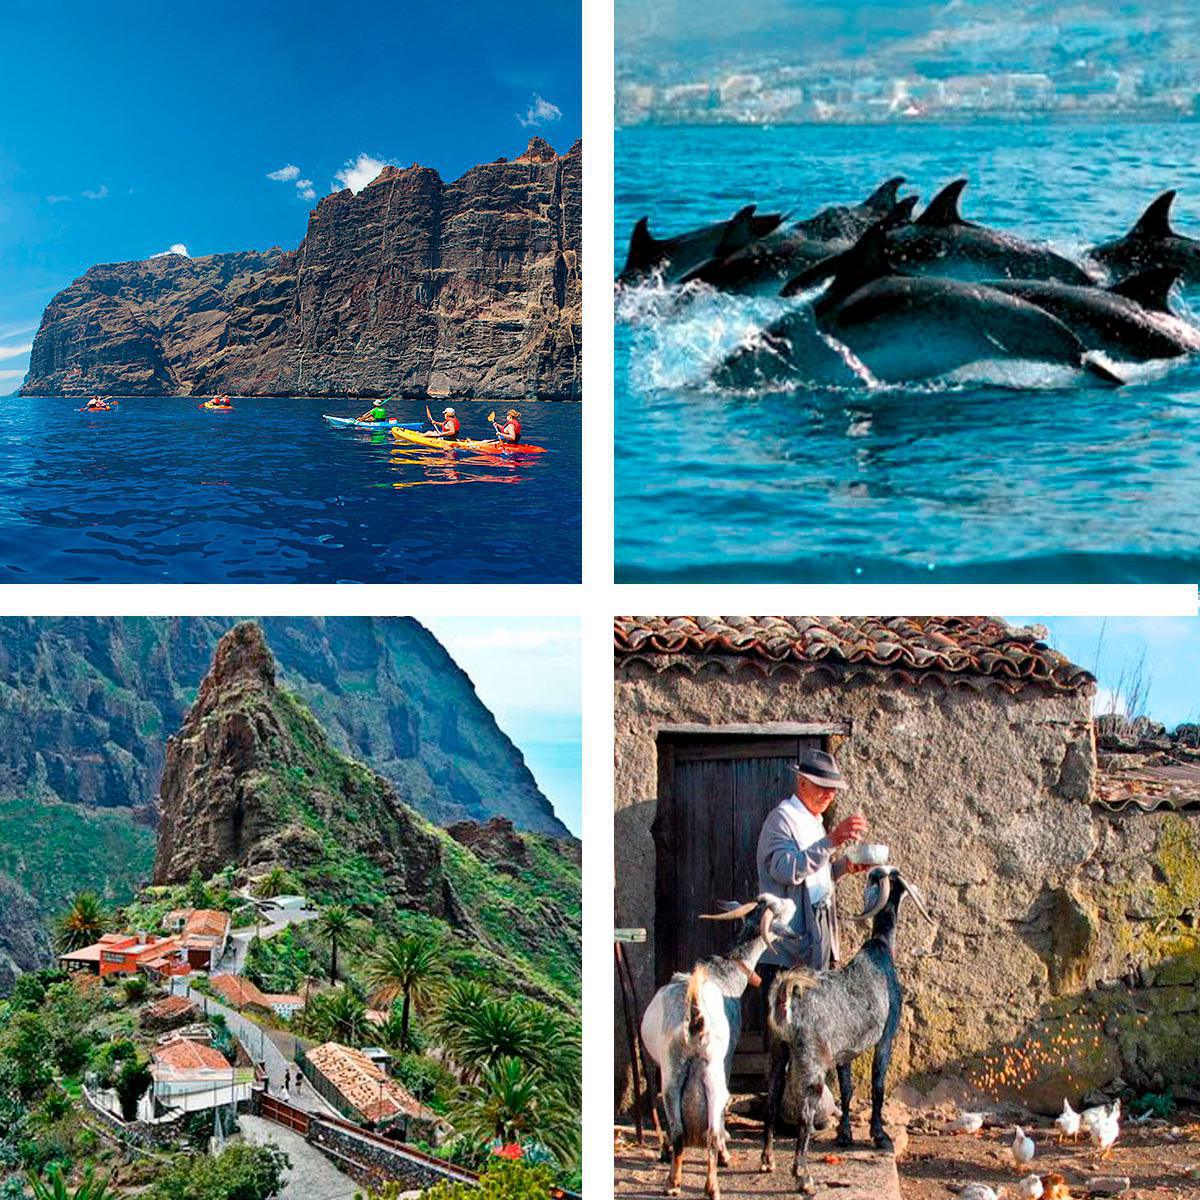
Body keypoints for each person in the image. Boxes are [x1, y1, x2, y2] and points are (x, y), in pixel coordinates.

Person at [755, 748, 871, 993]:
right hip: (787, 943)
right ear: (801, 782)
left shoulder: (813, 821)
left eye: (833, 789)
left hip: (816, 934)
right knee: (783, 1026)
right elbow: (785, 870)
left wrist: (844, 867)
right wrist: (832, 841)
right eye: (821, 786)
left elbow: (815, 876)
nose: (829, 794)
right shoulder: (782, 819)